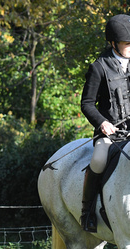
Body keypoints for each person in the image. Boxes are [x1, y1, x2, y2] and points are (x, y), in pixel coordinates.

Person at [80, 14, 130, 232]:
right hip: (111, 133)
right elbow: (87, 103)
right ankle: (87, 210)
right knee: (99, 160)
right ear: (113, 43)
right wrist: (102, 123)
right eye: (127, 44)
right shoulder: (99, 67)